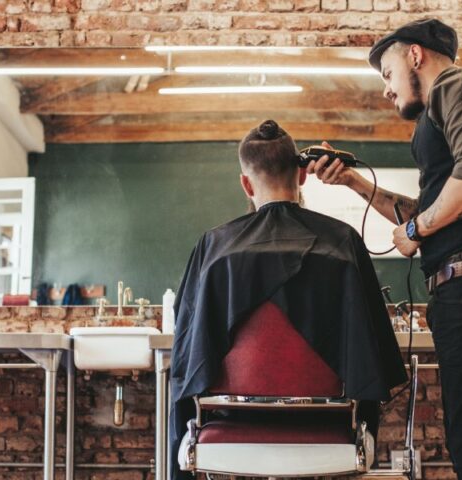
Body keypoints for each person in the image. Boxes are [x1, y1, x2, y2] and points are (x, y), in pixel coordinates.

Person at [307, 18, 462, 480]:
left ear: (415, 55)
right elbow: (434, 208)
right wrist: (352, 180)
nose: (387, 91)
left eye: (388, 73)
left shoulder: (459, 84)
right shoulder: (442, 113)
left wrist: (414, 230)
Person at [169, 119, 407, 480]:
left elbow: (189, 348)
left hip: (233, 427)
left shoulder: (214, 248)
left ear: (246, 183)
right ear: (302, 176)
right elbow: (369, 350)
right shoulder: (342, 243)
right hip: (328, 429)